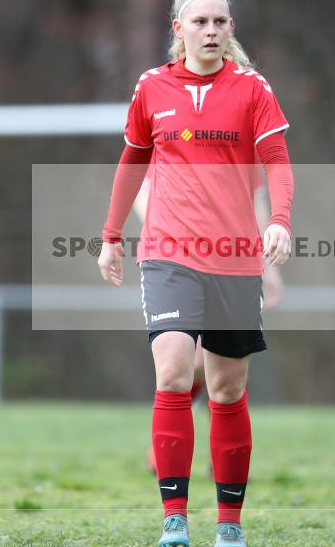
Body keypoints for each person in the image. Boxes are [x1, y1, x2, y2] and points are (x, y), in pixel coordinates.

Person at [98, 0, 293, 547]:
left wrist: (278, 220)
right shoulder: (152, 87)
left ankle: (229, 528)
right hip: (167, 255)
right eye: (200, 21)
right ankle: (174, 521)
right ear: (177, 30)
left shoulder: (252, 90)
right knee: (174, 371)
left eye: (221, 22)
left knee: (228, 390)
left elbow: (276, 163)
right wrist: (112, 235)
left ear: (231, 30)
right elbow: (133, 159)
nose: (211, 30)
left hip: (233, 258)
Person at [132, 178, 285, 477]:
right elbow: (142, 190)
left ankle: (223, 460)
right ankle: (172, 452)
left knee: (229, 360)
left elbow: (255, 199)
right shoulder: (172, 135)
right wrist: (168, 239)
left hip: (232, 261)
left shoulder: (243, 140)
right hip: (179, 260)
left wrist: (269, 266)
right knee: (191, 360)